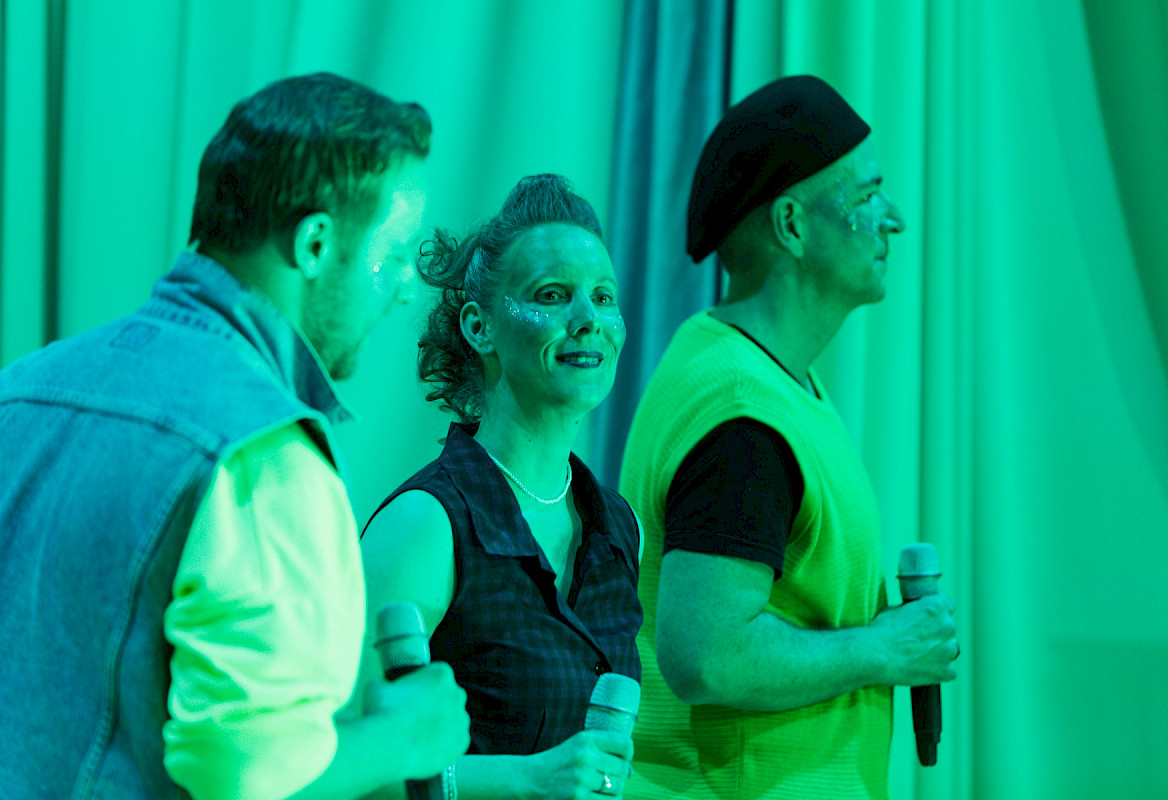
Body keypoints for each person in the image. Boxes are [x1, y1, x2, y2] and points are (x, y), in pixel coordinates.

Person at [0, 73, 469, 800]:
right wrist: (407, 736)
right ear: (316, 243)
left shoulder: (18, 392)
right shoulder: (265, 455)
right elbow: (249, 780)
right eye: (394, 253)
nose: (406, 286)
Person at [619, 75, 959, 799]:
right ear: (793, 225)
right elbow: (708, 656)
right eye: (868, 196)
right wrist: (884, 648)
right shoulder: (743, 418)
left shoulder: (762, 381)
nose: (894, 219)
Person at [358, 174, 643, 799]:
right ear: (479, 327)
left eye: (603, 297)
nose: (588, 320)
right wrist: (527, 780)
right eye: (552, 295)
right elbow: (338, 766)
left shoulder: (619, 527)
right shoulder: (425, 525)